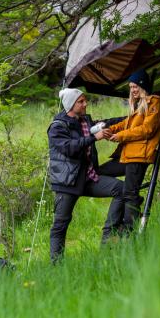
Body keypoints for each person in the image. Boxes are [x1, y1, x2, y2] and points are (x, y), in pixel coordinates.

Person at [47, 88, 124, 262]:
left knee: (121, 189)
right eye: (80, 101)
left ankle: (107, 240)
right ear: (70, 105)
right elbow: (70, 148)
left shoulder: (85, 120)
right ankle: (56, 265)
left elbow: (106, 122)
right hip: (67, 183)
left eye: (85, 100)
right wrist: (94, 138)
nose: (85, 104)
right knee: (60, 225)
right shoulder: (58, 126)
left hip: (88, 178)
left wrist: (130, 118)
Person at [98, 69, 160, 241]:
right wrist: (110, 129)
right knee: (99, 172)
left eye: (135, 86)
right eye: (131, 87)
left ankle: (128, 231)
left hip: (139, 156)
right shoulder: (138, 105)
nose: (133, 90)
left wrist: (119, 136)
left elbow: (147, 130)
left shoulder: (154, 103)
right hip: (127, 155)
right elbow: (125, 124)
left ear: (143, 86)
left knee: (130, 193)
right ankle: (130, 202)